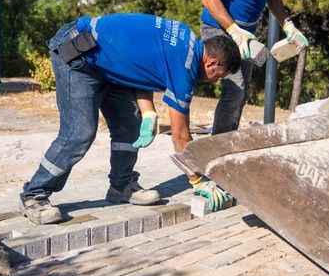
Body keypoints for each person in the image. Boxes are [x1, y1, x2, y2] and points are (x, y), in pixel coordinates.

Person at [20, 13, 241, 225]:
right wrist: (198, 180)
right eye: (218, 77)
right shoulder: (185, 68)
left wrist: (148, 112)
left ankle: (121, 187)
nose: (214, 82)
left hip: (106, 64)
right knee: (79, 133)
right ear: (213, 63)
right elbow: (180, 135)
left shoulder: (187, 40)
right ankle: (34, 194)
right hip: (79, 54)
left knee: (129, 128)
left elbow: (140, 68)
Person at [200, 0, 309, 135]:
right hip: (220, 28)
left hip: (247, 33)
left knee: (240, 92)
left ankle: (224, 142)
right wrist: (234, 32)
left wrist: (288, 25)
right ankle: (219, 149)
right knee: (234, 87)